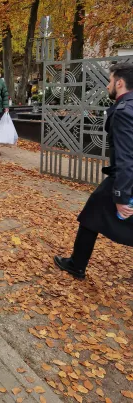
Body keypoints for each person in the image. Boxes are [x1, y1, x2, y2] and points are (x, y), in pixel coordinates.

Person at [54, 62, 133, 279]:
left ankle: (76, 265)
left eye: (109, 80)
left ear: (119, 82)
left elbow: (127, 158)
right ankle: (77, 264)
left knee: (90, 216)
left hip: (125, 177)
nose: (108, 85)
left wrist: (121, 195)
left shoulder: (124, 112)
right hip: (126, 176)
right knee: (92, 216)